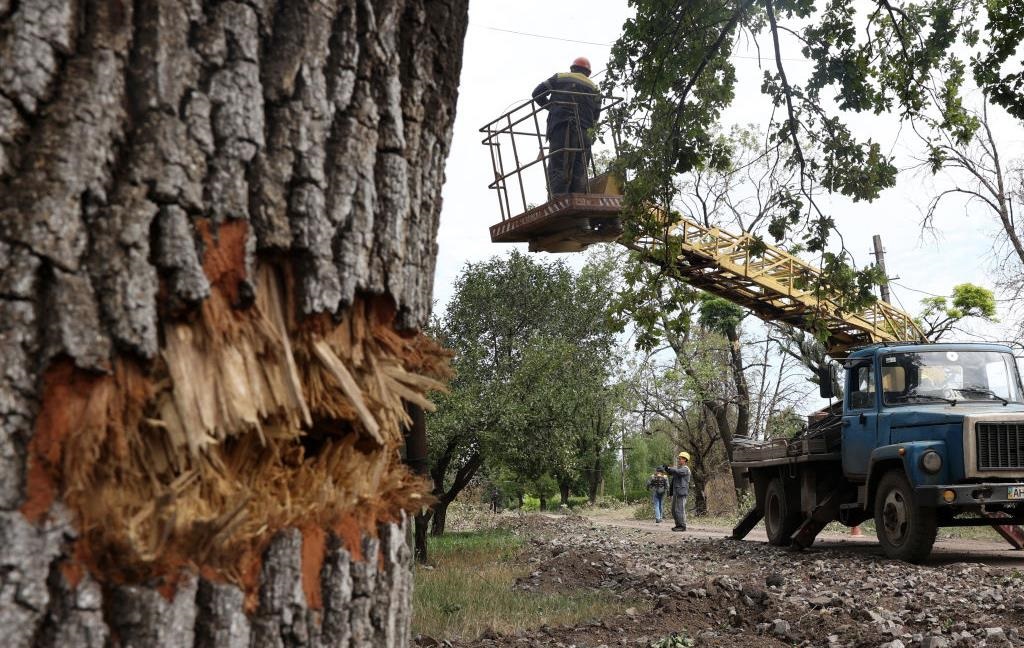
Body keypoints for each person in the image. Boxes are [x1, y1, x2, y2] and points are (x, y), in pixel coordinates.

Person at [531, 56, 602, 196]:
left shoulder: (560, 78)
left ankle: (558, 200)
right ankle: (578, 199)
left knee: (558, 165)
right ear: (588, 73)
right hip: (585, 132)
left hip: (561, 126)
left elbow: (536, 93)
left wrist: (552, 108)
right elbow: (596, 116)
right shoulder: (595, 89)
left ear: (572, 68)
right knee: (580, 168)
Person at [662, 452, 691, 532]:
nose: (679, 460)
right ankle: (678, 525)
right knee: (674, 510)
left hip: (681, 493)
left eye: (680, 458)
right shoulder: (679, 468)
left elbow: (677, 472)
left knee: (679, 510)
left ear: (685, 460)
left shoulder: (685, 469)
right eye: (679, 458)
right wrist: (667, 469)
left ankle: (682, 526)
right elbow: (673, 472)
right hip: (676, 493)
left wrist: (668, 468)